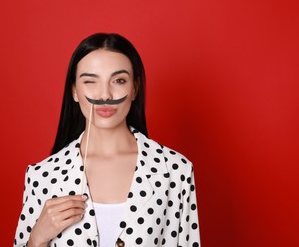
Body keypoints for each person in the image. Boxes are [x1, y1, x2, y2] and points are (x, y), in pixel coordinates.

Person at [14, 33, 200, 247]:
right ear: (74, 90)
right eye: (90, 81)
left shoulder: (175, 170)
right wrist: (37, 239)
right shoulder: (43, 176)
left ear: (134, 89)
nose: (105, 95)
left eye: (119, 80)